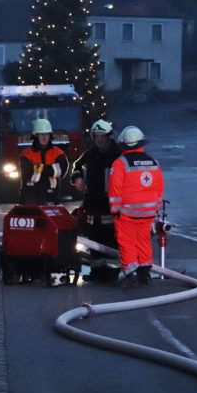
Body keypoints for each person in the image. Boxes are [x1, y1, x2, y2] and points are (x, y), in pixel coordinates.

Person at [107, 126, 164, 285]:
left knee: (127, 240)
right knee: (144, 240)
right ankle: (145, 272)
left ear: (123, 144)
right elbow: (159, 187)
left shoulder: (120, 163)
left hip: (127, 212)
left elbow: (115, 189)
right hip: (148, 212)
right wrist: (156, 210)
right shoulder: (153, 162)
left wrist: (115, 210)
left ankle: (129, 270)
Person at [71, 119, 121, 281]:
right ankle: (97, 272)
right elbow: (77, 166)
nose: (100, 140)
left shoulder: (117, 154)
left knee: (110, 239)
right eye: (96, 136)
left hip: (110, 205)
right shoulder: (90, 154)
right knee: (94, 239)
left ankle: (112, 272)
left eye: (102, 136)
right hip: (92, 204)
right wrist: (78, 178)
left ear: (109, 137)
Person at [18, 118, 68, 205]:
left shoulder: (58, 153)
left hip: (52, 198)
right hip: (29, 199)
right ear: (36, 136)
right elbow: (27, 174)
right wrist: (51, 170)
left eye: (47, 134)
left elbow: (62, 172)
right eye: (41, 134)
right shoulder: (26, 154)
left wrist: (36, 168)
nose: (44, 137)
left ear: (50, 135)